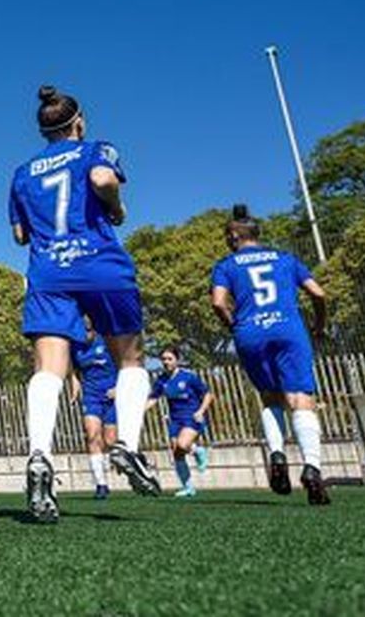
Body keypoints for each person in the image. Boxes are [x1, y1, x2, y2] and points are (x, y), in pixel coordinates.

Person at [8, 85, 159, 523]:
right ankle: (128, 447)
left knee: (48, 369)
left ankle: (39, 456)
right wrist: (115, 208)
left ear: (43, 130)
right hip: (99, 263)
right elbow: (102, 179)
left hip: (49, 271)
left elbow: (20, 235)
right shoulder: (96, 148)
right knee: (130, 361)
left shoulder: (22, 172)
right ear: (79, 122)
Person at [211, 204, 331, 505]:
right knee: (301, 399)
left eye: (228, 235)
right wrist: (319, 324)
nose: (227, 240)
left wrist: (234, 325)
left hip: (250, 333)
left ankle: (276, 454)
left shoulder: (226, 265)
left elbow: (218, 302)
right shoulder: (286, 259)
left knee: (270, 396)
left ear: (235, 236)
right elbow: (318, 293)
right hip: (289, 331)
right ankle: (313, 468)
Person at [148, 347, 213, 498]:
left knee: (183, 445)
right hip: (175, 420)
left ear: (177, 360)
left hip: (192, 417)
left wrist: (201, 411)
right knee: (177, 453)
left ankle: (198, 451)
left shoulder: (189, 377)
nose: (166, 362)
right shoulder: (161, 380)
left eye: (169, 359)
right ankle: (188, 488)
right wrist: (139, 412)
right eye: (163, 359)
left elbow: (208, 395)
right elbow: (153, 398)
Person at [69, 331, 119, 499]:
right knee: (91, 435)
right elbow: (75, 372)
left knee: (110, 441)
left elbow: (124, 365)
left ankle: (117, 461)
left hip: (111, 396)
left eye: (87, 331)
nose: (84, 334)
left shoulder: (107, 342)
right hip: (91, 396)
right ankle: (101, 484)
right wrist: (75, 390)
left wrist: (119, 388)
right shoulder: (75, 348)